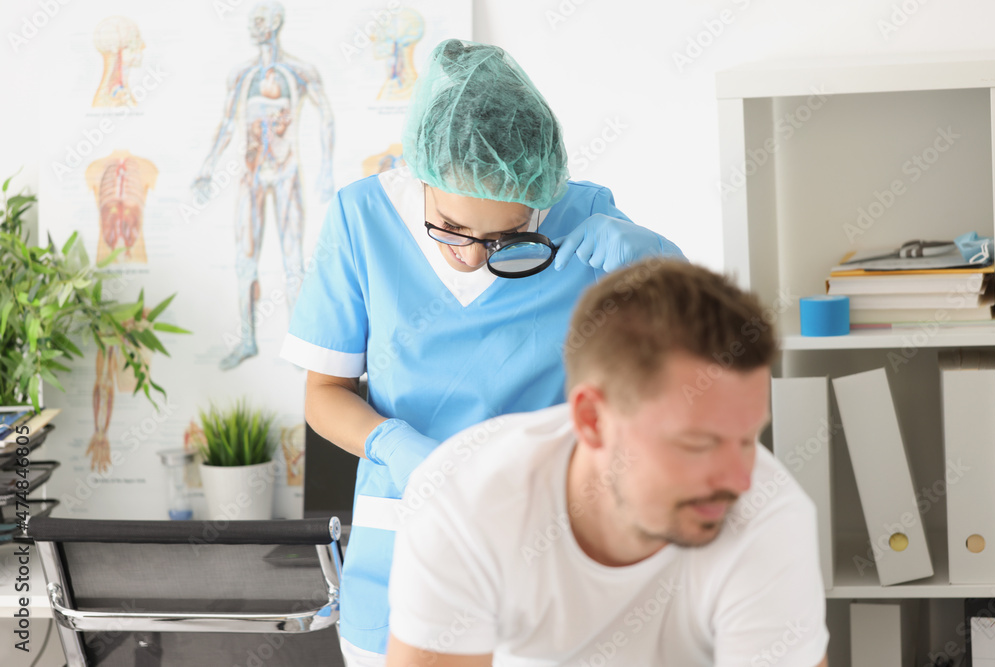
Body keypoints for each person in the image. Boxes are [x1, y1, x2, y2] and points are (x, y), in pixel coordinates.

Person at [280, 39, 684, 666]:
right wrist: (395, 446)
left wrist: (662, 268)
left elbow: (689, 366)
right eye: (452, 228)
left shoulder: (585, 217)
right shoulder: (362, 219)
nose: (471, 256)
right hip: (404, 542)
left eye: (507, 238)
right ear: (423, 176)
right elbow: (323, 395)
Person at [386, 259, 830, 667]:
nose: (740, 480)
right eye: (697, 444)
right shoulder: (464, 501)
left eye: (749, 440)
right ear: (592, 420)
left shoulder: (770, 515)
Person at [196, 1, 335, 370]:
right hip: (251, 175)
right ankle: (247, 340)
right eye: (251, 20)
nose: (252, 26)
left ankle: (299, 349)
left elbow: (326, 116)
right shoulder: (241, 74)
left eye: (258, 20)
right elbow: (228, 124)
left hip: (287, 172)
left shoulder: (300, 72)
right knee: (245, 259)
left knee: (293, 262)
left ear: (275, 23)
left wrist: (326, 169)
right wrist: (208, 166)